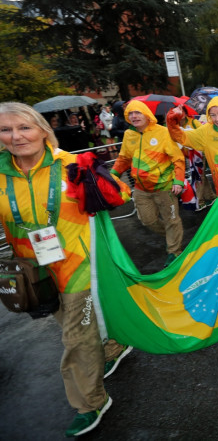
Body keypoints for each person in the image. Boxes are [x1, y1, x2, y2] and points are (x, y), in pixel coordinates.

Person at [0, 102, 133, 437]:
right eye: (5, 130)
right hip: (34, 272)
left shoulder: (71, 164)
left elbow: (121, 194)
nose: (16, 137)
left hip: (78, 266)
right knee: (82, 329)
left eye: (24, 128)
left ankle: (90, 402)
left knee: (75, 336)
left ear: (43, 130)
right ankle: (113, 347)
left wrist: (97, 181)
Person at [111, 101, 185, 266]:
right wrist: (112, 175)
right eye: (130, 113)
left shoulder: (163, 133)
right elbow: (124, 158)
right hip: (141, 189)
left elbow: (177, 158)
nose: (134, 116)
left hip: (165, 187)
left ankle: (174, 251)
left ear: (147, 114)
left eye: (138, 112)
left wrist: (178, 180)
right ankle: (172, 237)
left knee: (172, 220)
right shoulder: (129, 135)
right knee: (147, 221)